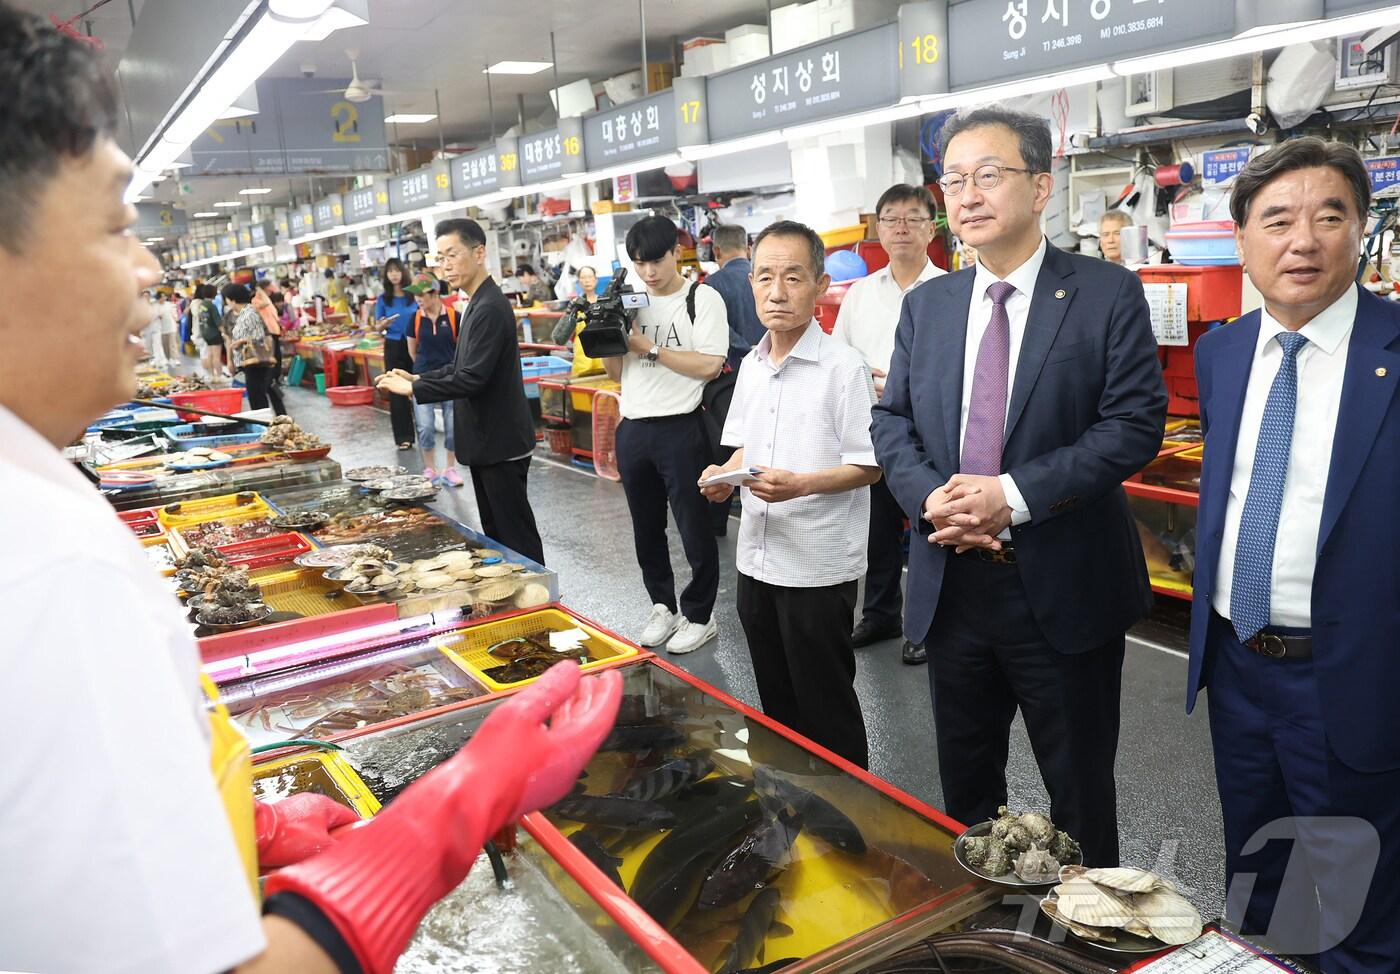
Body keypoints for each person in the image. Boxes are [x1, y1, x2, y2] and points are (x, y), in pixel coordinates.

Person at [0, 10, 622, 974]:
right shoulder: (45, 568)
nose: (151, 268)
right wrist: (435, 825)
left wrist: (232, 823)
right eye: (118, 223)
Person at [870, 106, 1167, 867]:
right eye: (954, 180)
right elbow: (891, 421)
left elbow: (1132, 425)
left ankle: (1091, 938)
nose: (966, 195)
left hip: (1062, 585)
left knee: (1079, 796)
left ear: (1041, 186)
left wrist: (1013, 495)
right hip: (952, 584)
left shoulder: (1105, 294)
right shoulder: (928, 307)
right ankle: (978, 936)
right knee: (964, 795)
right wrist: (927, 495)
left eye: (988, 176)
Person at [1186, 138, 1400, 970]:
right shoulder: (1225, 351)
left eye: (1327, 217)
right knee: (1257, 886)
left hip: (1355, 674)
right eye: (1276, 220)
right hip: (1240, 670)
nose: (1301, 241)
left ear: (1361, 231)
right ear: (1242, 240)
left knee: (1361, 909)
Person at [700, 220, 880, 768]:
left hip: (817, 567)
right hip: (756, 558)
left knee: (827, 705)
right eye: (765, 278)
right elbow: (743, 450)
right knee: (776, 704)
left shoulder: (843, 367)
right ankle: (790, 812)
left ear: (821, 285)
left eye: (793, 278)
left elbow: (869, 467)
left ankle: (851, 822)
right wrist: (721, 473)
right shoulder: (751, 366)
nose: (777, 293)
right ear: (750, 282)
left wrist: (801, 484)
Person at [376, 219, 546, 565]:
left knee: (515, 534)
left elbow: (471, 378)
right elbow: (459, 365)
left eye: (451, 254)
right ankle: (517, 600)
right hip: (488, 442)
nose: (445, 265)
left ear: (479, 252)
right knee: (498, 534)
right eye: (440, 258)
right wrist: (417, 377)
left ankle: (541, 601)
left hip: (500, 442)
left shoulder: (489, 307)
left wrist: (415, 387)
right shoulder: (475, 303)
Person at [832, 183, 947, 666]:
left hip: (933, 429)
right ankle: (880, 614)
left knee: (929, 524)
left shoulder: (950, 291)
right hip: (875, 426)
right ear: (878, 228)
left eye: (913, 218)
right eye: (891, 218)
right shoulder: (860, 294)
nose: (901, 228)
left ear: (931, 228)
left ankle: (926, 624)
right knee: (877, 528)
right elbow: (839, 357)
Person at [603, 216, 728, 654]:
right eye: (639, 263)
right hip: (634, 426)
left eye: (656, 261)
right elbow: (616, 372)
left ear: (677, 252)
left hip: (683, 425)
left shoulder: (702, 298)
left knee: (695, 527)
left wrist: (649, 347)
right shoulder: (628, 302)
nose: (649, 272)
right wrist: (607, 338)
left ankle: (700, 614)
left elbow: (710, 364)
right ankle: (662, 605)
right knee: (646, 528)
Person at [402, 271, 463, 488]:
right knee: (425, 426)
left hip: (450, 378)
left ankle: (450, 468)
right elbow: (412, 351)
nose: (418, 299)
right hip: (422, 377)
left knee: (453, 424)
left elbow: (460, 348)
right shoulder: (415, 318)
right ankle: (430, 469)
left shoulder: (455, 317)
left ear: (435, 292)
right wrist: (423, 371)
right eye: (415, 295)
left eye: (422, 294)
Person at [704, 224, 765, 368]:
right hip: (774, 360)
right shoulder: (767, 277)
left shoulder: (711, 284)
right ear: (749, 250)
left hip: (735, 367)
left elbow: (718, 327)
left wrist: (749, 350)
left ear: (717, 252)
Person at [374, 257, 419, 450]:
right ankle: (404, 437)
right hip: (393, 345)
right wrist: (383, 325)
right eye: (390, 271)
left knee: (418, 385)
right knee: (396, 390)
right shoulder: (383, 299)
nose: (393, 274)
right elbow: (377, 327)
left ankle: (425, 430)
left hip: (416, 344)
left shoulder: (414, 295)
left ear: (403, 272)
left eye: (397, 270)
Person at [223, 283, 285, 415]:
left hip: (260, 358)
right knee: (258, 392)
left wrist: (241, 341)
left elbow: (260, 336)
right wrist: (230, 360)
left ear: (232, 299)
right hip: (247, 360)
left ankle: (274, 420)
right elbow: (229, 338)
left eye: (227, 299)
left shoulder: (251, 313)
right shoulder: (230, 316)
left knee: (263, 389)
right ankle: (267, 421)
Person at [550, 264, 600, 346]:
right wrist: (568, 314)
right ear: (579, 281)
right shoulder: (575, 303)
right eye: (583, 277)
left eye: (590, 276)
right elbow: (559, 338)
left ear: (596, 279)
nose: (587, 280)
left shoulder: (603, 301)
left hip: (602, 348)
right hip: (582, 350)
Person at [251, 279, 284, 384]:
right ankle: (270, 380)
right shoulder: (256, 300)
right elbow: (265, 303)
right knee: (272, 357)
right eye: (271, 285)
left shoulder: (268, 299)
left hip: (274, 331)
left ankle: (276, 378)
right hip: (267, 333)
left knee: (277, 356)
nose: (273, 287)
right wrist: (260, 291)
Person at [155, 289, 181, 363]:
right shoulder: (156, 306)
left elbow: (174, 314)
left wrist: (176, 320)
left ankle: (175, 358)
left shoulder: (169, 305)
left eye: (164, 296)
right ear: (158, 298)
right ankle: (168, 358)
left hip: (171, 327)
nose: (164, 298)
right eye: (162, 297)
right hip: (162, 328)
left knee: (173, 344)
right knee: (165, 344)